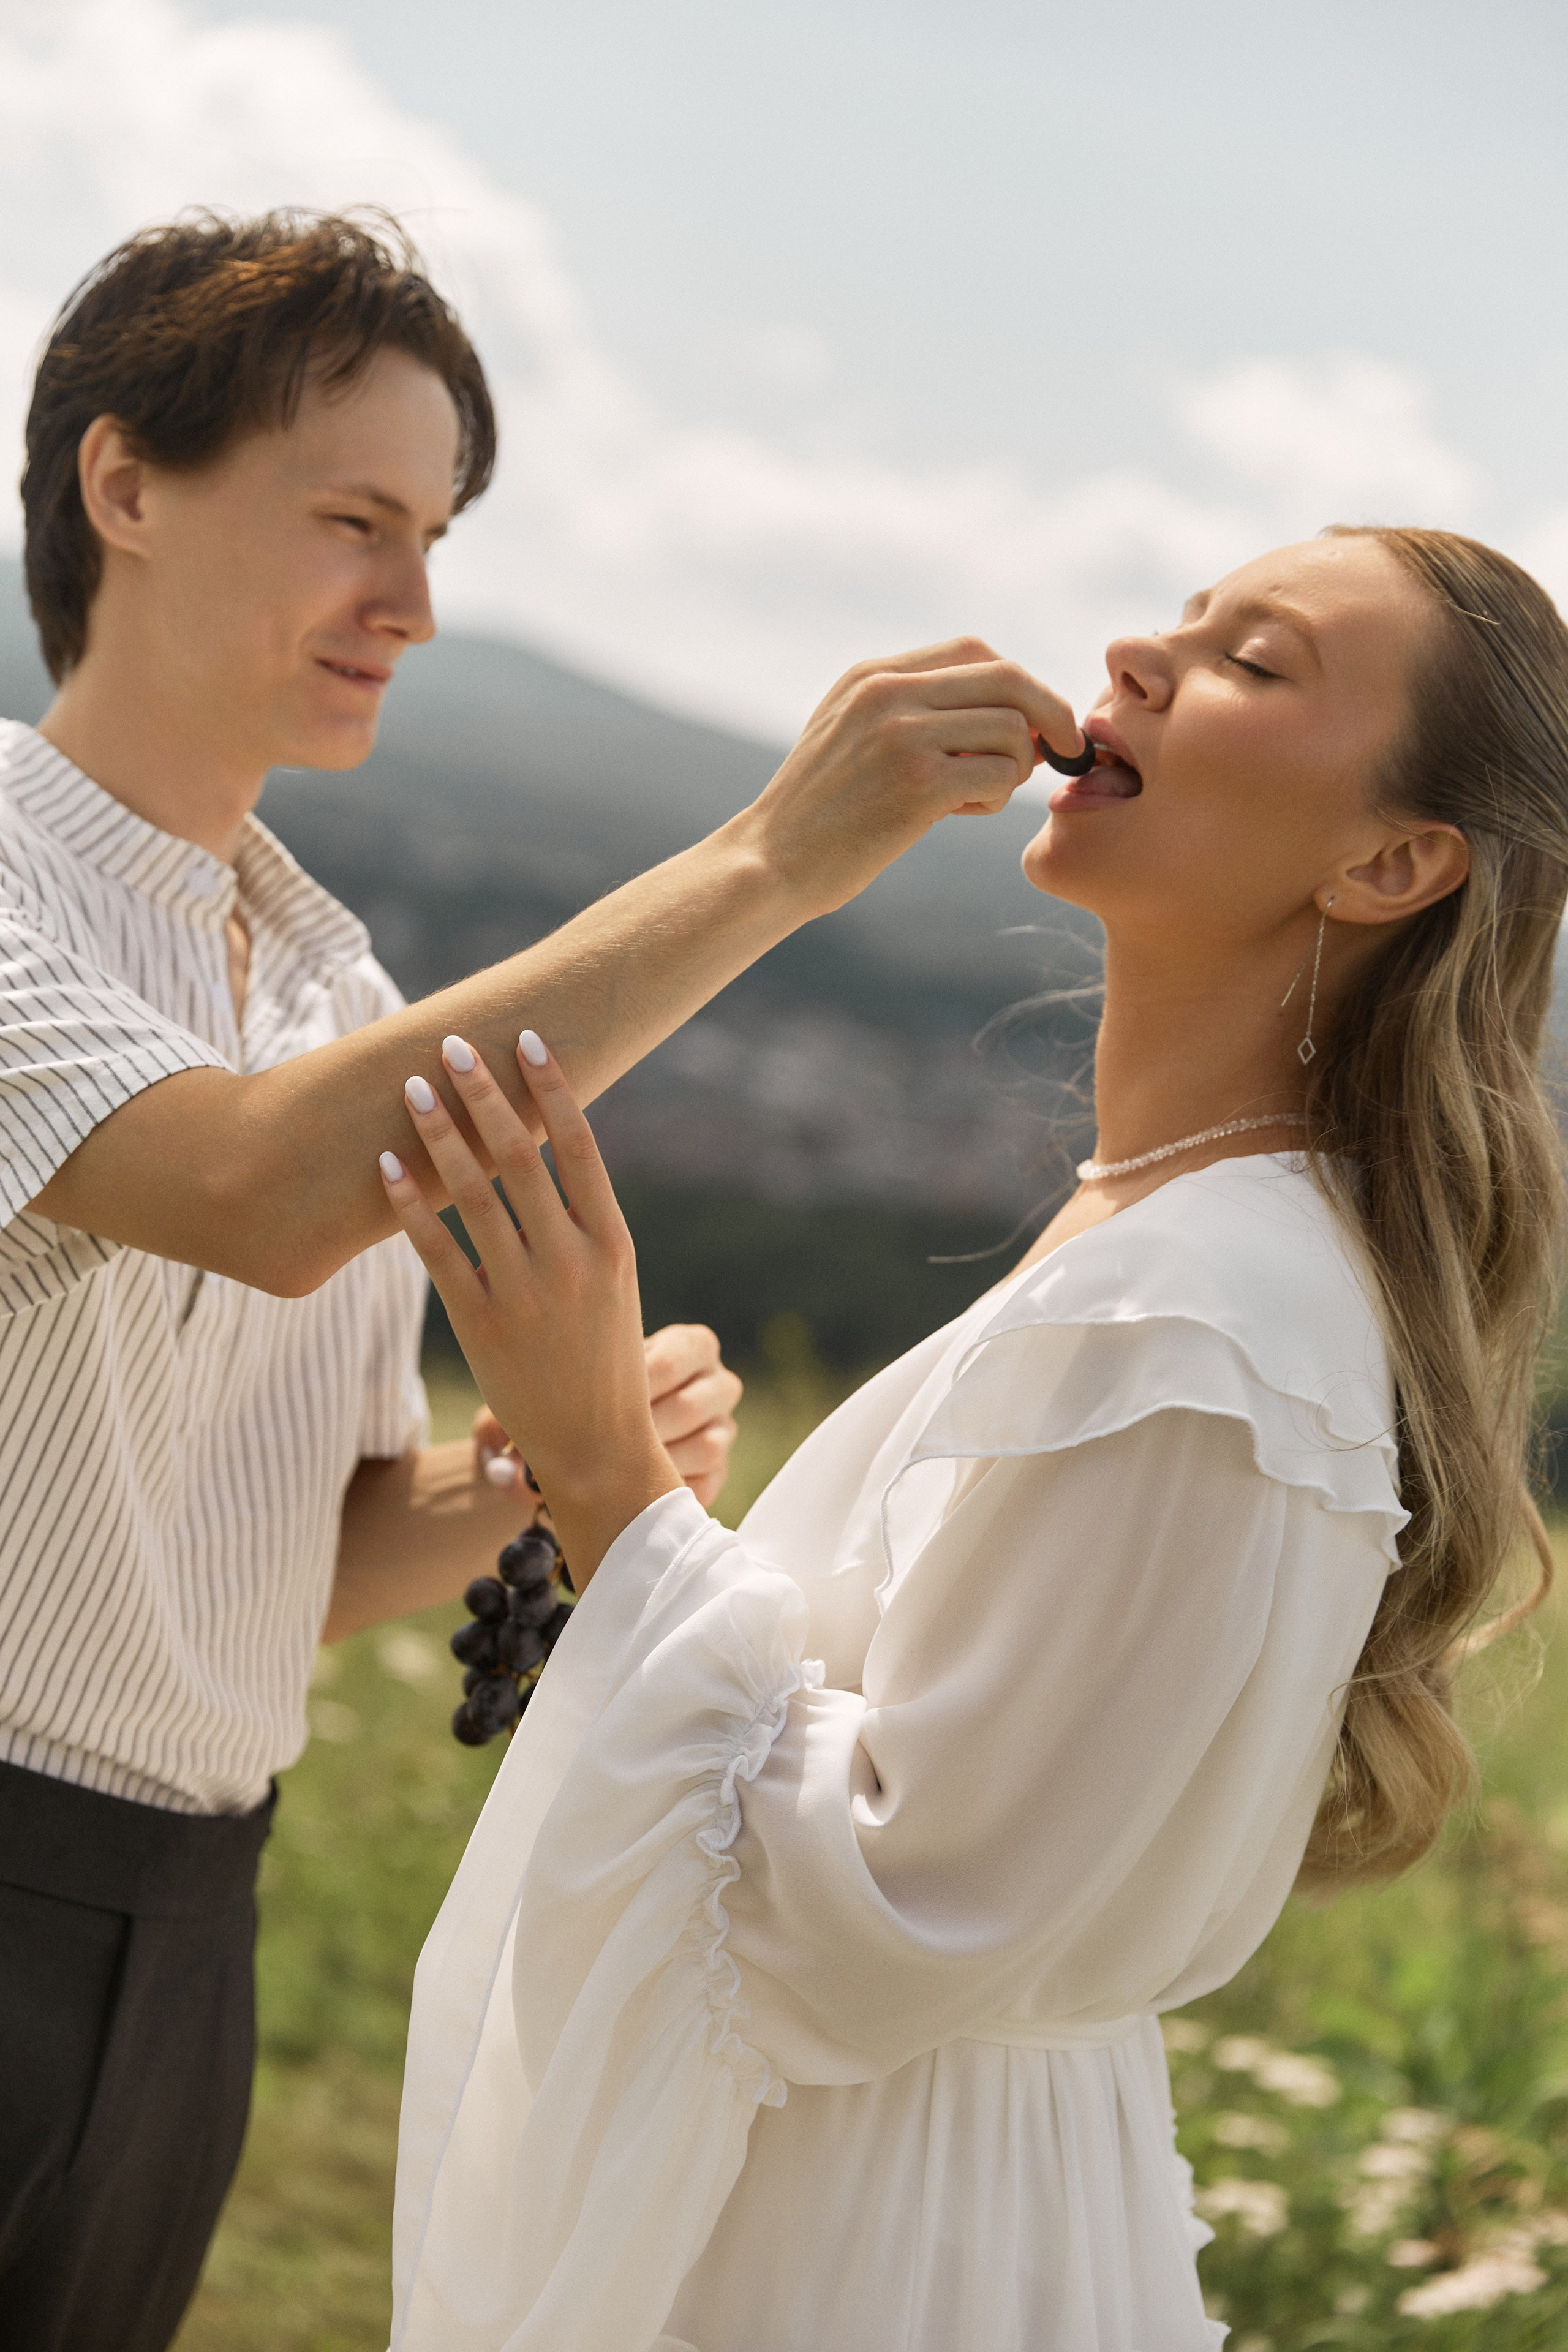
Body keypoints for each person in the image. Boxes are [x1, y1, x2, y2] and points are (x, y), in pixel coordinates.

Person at [0, 210, 1068, 2352]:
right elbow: (258, 1188)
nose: (411, 605)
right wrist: (773, 854)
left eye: (441, 535)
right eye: (355, 523)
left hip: (190, 1919)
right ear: (124, 487)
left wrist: (530, 1482)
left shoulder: (337, 989)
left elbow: (292, 1565)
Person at [380, 525, 1567, 2351]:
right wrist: (685, 1543)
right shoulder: (1179, 1240)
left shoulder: (1202, 1315)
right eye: (1182, 620)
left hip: (870, 2252)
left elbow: (892, 1907)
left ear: (1392, 860)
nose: (1142, 655)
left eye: (1256, 662)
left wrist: (611, 1472)